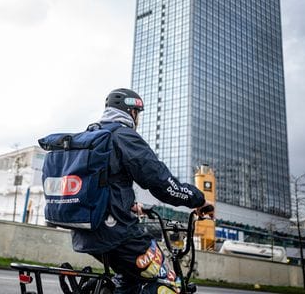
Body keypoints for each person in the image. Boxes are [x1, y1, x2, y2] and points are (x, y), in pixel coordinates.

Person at [73, 88, 214, 294]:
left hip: (85, 231)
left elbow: (103, 183)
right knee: (170, 284)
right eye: (138, 114)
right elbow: (162, 184)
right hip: (116, 233)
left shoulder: (91, 135)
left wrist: (127, 205)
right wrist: (198, 200)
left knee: (129, 280)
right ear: (132, 112)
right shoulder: (124, 136)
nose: (137, 120)